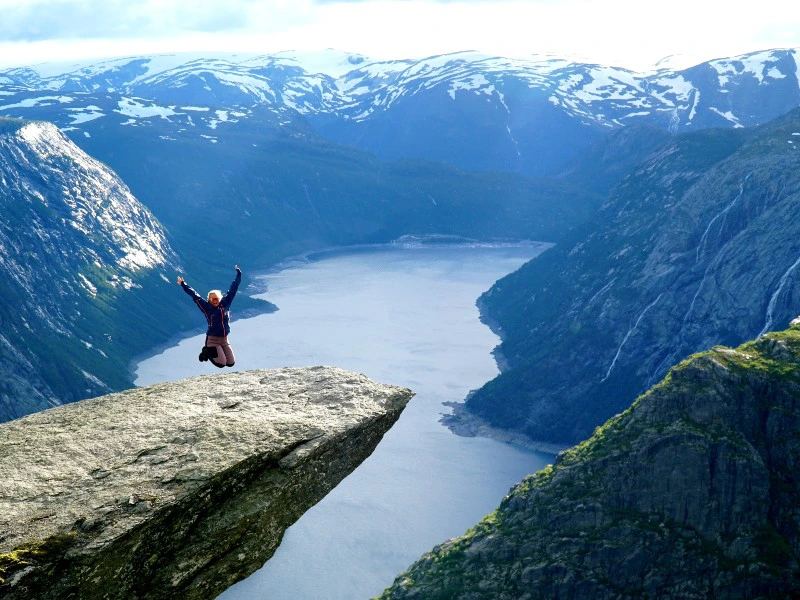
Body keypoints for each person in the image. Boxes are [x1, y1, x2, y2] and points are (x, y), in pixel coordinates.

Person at [177, 265, 242, 368]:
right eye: (212, 300)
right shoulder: (206, 307)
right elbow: (195, 295)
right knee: (221, 364)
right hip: (213, 340)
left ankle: (216, 351)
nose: (214, 301)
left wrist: (239, 274)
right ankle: (207, 350)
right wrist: (183, 284)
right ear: (209, 300)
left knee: (230, 363)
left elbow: (234, 287)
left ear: (220, 298)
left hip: (225, 339)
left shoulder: (226, 303)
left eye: (216, 299)